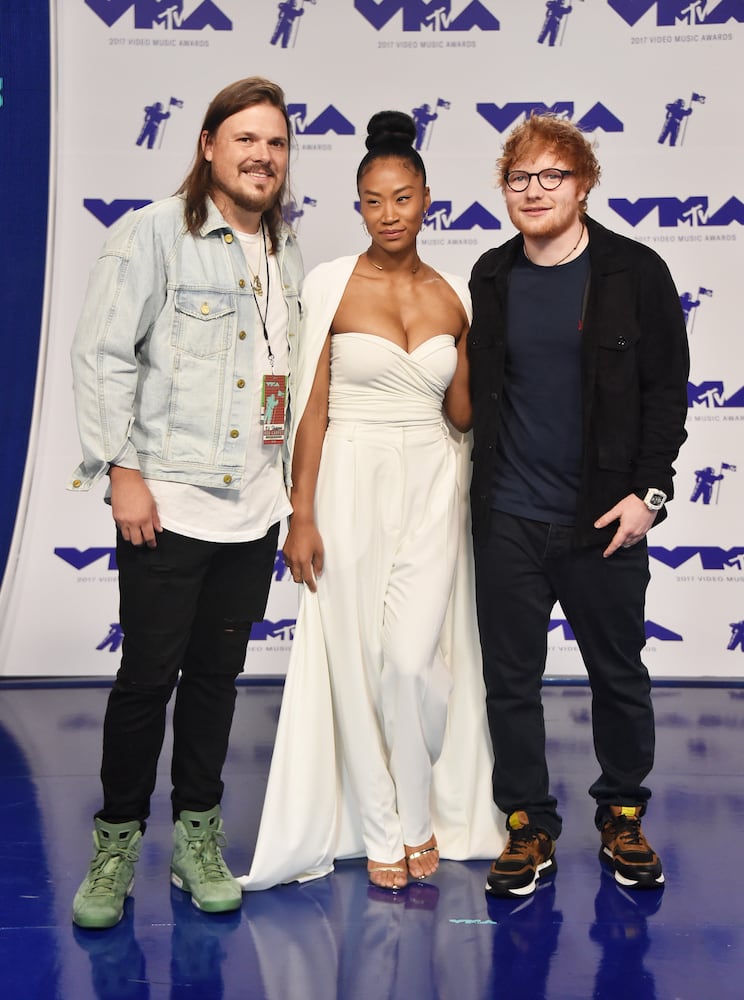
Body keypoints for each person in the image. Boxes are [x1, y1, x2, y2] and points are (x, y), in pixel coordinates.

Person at [240, 111, 502, 895]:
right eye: (372, 201)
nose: (389, 214)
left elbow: (462, 414)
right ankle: (390, 826)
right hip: (348, 478)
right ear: (359, 206)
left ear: (427, 199)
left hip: (434, 480)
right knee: (353, 660)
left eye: (403, 197)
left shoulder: (456, 291)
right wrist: (303, 512)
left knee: (411, 663)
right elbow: (309, 410)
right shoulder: (329, 284)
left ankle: (421, 809)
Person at [68, 77, 303, 928]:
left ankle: (197, 835)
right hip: (168, 501)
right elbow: (103, 354)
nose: (261, 156)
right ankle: (117, 842)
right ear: (208, 145)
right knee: (146, 681)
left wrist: (289, 496)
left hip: (254, 506)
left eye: (275, 143)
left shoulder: (287, 248)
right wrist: (119, 469)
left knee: (217, 680)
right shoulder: (154, 234)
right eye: (245, 139)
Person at [468, 113, 689, 898]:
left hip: (605, 520)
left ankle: (622, 815)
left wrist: (648, 497)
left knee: (619, 675)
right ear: (505, 189)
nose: (534, 191)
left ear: (584, 183)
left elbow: (668, 395)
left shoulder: (636, 272)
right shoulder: (491, 276)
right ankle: (527, 826)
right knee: (510, 683)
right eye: (519, 179)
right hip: (511, 520)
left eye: (551, 176)